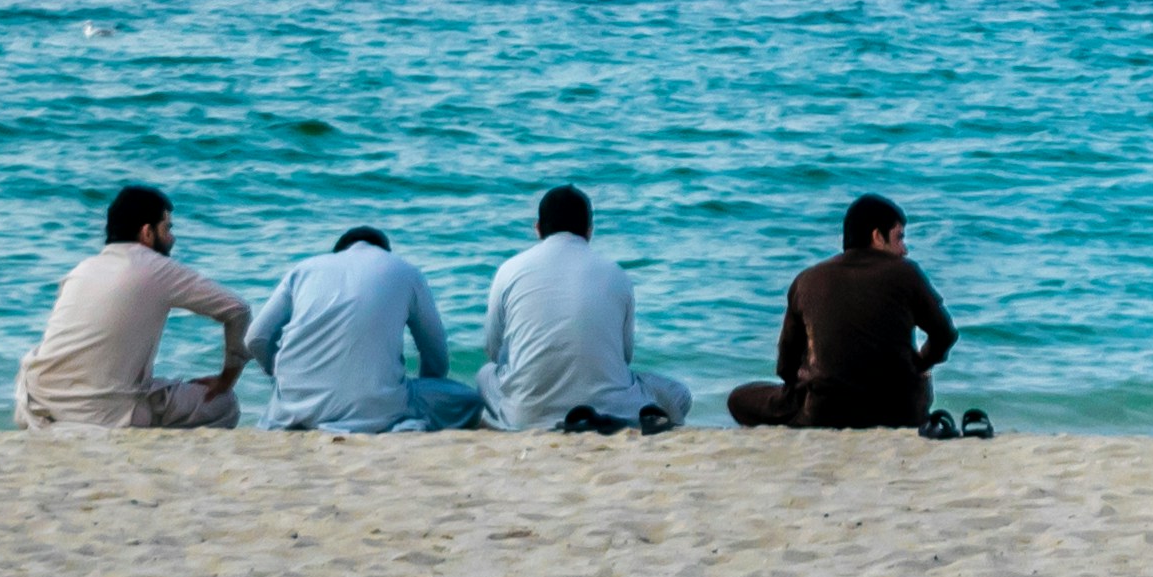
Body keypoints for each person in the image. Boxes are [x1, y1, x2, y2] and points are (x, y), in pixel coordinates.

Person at [15, 184, 251, 429]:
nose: (172, 238)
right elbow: (237, 309)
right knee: (224, 403)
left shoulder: (82, 270)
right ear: (147, 232)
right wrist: (227, 378)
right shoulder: (156, 267)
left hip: (38, 403)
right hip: (103, 411)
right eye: (167, 228)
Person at [727, 195, 960, 430]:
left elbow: (785, 367)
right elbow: (945, 335)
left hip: (824, 413)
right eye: (899, 237)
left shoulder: (808, 279)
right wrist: (920, 363)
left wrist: (808, 376)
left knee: (739, 398)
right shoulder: (907, 273)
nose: (905, 250)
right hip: (900, 413)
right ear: (877, 236)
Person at [479, 186, 689, 434]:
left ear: (538, 228)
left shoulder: (509, 269)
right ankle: (635, 419)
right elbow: (625, 356)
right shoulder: (616, 274)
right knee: (679, 394)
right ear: (589, 231)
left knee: (485, 374)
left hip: (528, 414)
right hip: (613, 407)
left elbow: (493, 350)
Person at [248, 225, 487, 433]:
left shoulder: (303, 270)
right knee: (472, 400)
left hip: (292, 409)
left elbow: (255, 338)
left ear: (338, 253)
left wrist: (276, 373)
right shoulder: (405, 271)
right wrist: (432, 387)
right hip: (374, 407)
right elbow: (435, 352)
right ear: (385, 251)